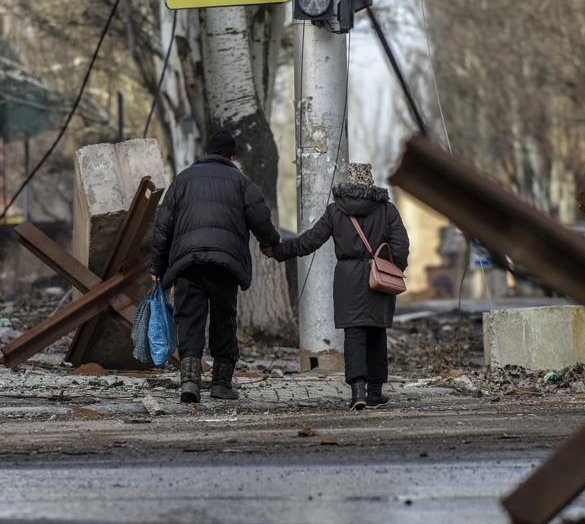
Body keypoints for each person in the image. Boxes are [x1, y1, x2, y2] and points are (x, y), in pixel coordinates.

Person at [151, 130, 281, 404]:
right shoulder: (241, 181)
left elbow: (163, 226)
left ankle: (189, 382)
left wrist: (157, 266)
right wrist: (270, 243)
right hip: (225, 263)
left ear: (206, 151)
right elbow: (260, 216)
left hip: (187, 262)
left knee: (189, 319)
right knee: (224, 318)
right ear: (231, 155)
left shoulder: (182, 180)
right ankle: (221, 383)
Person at [267, 163, 409, 410]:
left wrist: (279, 251)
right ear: (370, 182)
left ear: (349, 182)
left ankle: (358, 392)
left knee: (354, 334)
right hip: (379, 277)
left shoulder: (336, 211)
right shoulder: (387, 210)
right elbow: (400, 246)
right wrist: (395, 267)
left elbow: (309, 241)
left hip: (348, 279)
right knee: (377, 333)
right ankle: (375, 391)